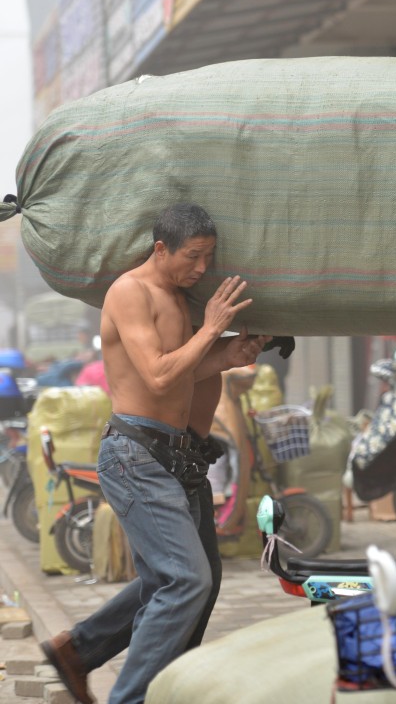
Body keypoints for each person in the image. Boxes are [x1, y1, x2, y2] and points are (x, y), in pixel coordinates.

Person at [40, 203, 268, 704]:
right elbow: (159, 374)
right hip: (137, 455)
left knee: (192, 584)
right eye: (193, 256)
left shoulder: (180, 300)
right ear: (161, 248)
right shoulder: (130, 291)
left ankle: (78, 652)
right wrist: (210, 329)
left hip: (183, 460)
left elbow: (188, 370)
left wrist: (227, 355)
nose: (202, 268)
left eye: (209, 257)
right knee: (186, 580)